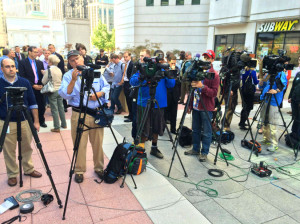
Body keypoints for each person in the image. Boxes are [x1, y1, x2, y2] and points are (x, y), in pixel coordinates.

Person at [59, 50, 110, 183]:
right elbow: (64, 94)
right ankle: (79, 170)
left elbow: (106, 87)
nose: (75, 62)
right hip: (79, 112)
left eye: (77, 58)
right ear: (69, 63)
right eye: (72, 60)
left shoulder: (95, 71)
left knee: (97, 143)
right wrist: (73, 80)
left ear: (82, 58)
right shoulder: (68, 75)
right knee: (79, 143)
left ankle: (99, 167)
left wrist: (99, 94)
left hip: (96, 113)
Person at [0, 58, 42, 187]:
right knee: (9, 150)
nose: (11, 69)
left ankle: (28, 169)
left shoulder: (24, 82)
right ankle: (12, 174)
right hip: (6, 122)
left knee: (26, 147)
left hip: (24, 120)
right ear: (2, 69)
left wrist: (36, 121)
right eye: (7, 66)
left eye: (13, 66)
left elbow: (33, 102)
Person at [130, 50, 175, 159]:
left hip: (159, 103)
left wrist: (167, 71)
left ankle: (154, 148)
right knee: (142, 127)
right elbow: (132, 81)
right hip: (144, 103)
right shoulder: (144, 67)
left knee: (157, 127)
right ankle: (140, 150)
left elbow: (171, 84)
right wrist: (141, 76)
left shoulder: (162, 68)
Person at [184, 50, 220, 162]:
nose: (206, 60)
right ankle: (195, 149)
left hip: (206, 107)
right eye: (204, 57)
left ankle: (204, 152)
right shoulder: (196, 72)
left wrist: (202, 86)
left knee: (207, 131)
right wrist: (189, 105)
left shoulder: (214, 75)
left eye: (208, 58)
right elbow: (192, 91)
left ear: (212, 60)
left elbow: (214, 93)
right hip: (195, 105)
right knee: (195, 129)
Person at [259, 69, 287, 152]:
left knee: (273, 123)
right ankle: (266, 139)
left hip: (274, 101)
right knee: (264, 120)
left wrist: (276, 90)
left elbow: (283, 85)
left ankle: (274, 144)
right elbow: (265, 84)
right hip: (266, 99)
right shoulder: (270, 72)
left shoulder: (281, 74)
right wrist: (261, 83)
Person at [18, 46, 47, 128]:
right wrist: (33, 85)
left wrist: (42, 84)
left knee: (41, 104)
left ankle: (41, 121)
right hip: (29, 86)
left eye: (37, 52)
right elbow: (22, 76)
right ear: (29, 52)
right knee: (31, 104)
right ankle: (32, 121)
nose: (36, 54)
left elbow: (41, 75)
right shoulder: (22, 62)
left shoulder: (39, 63)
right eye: (34, 52)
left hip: (39, 86)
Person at [42, 54, 67, 132]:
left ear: (50, 62)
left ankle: (57, 127)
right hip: (59, 90)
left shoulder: (49, 70)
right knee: (61, 108)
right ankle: (64, 124)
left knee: (54, 109)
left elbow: (43, 81)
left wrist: (44, 73)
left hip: (52, 91)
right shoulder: (59, 69)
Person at [131, 49, 151, 140]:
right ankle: (139, 141)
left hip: (155, 100)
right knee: (139, 122)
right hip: (142, 100)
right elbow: (132, 81)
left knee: (153, 125)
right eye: (140, 55)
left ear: (148, 57)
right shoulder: (138, 66)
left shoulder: (153, 67)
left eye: (142, 56)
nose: (140, 58)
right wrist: (140, 77)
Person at [48, 44, 67, 112]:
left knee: (61, 91)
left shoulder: (58, 56)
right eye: (49, 48)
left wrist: (61, 76)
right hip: (51, 78)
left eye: (51, 48)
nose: (50, 49)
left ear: (54, 48)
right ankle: (57, 108)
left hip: (59, 76)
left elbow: (61, 67)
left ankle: (64, 106)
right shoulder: (49, 57)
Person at [165, 55, 180, 134]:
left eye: (174, 63)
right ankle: (162, 128)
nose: (173, 65)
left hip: (175, 93)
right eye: (172, 63)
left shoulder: (177, 69)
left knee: (174, 113)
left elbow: (178, 81)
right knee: (165, 112)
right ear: (168, 62)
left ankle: (173, 129)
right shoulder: (166, 69)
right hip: (167, 93)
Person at [288, 56, 300, 137]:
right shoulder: (298, 73)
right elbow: (293, 86)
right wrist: (290, 96)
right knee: (295, 117)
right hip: (294, 99)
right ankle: (293, 133)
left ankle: (297, 135)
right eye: (299, 59)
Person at [123, 51, 134, 122]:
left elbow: (131, 74)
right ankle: (130, 114)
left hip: (129, 84)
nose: (125, 58)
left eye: (126, 57)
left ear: (130, 56)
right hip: (125, 83)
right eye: (124, 57)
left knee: (130, 100)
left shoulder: (132, 64)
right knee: (127, 100)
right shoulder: (126, 64)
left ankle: (132, 116)